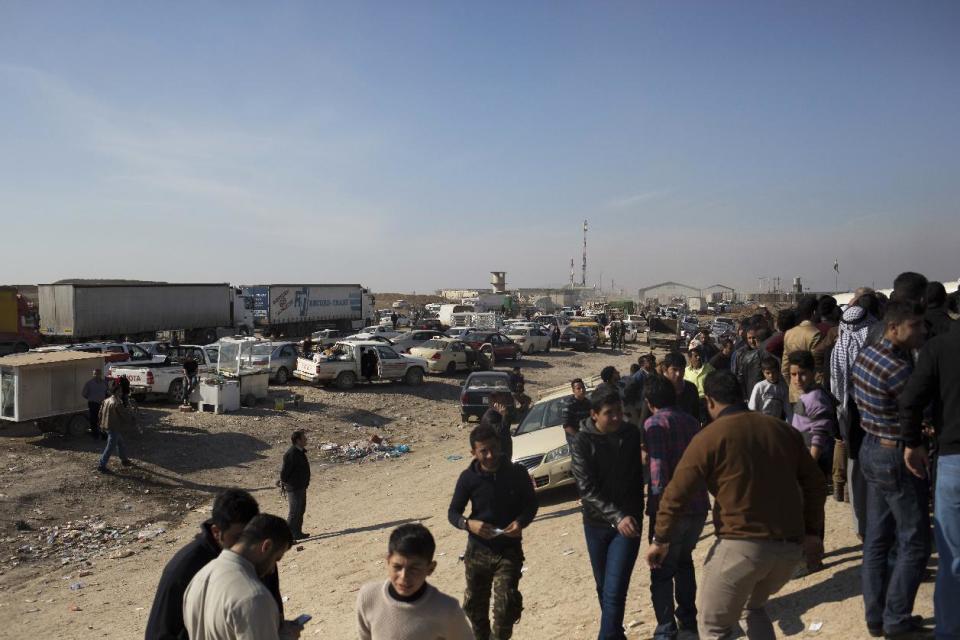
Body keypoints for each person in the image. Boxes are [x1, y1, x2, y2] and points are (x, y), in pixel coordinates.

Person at [646, 371, 826, 640]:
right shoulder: (781, 430)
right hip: (788, 547)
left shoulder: (711, 436)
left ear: (710, 401)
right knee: (751, 608)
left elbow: (675, 493)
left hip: (743, 546)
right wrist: (813, 532)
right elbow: (816, 484)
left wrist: (661, 539)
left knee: (713, 625)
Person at [852, 300, 932, 638]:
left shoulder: (867, 355)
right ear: (894, 328)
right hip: (894, 453)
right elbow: (917, 412)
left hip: (871, 447)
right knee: (915, 541)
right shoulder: (898, 368)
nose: (922, 332)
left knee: (877, 538)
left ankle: (877, 616)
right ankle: (897, 618)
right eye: (915, 326)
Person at [145, 489, 293, 640]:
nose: (246, 543)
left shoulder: (260, 557)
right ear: (216, 532)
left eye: (250, 534)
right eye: (238, 536)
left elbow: (272, 613)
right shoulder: (186, 568)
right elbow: (158, 635)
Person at [899, 314, 960, 639]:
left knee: (952, 558)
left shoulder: (939, 348)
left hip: (953, 461)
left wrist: (912, 443)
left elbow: (909, 400)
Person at [448, 424, 538, 640]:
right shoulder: (468, 478)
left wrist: (520, 522)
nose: (490, 455)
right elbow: (453, 513)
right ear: (473, 453)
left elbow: (531, 504)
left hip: (508, 551)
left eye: (494, 448)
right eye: (483, 451)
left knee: (506, 606)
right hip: (477, 552)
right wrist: (469, 524)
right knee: (475, 610)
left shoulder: (517, 472)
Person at [571, 392, 644, 639]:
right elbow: (586, 489)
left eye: (618, 412)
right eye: (608, 413)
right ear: (594, 415)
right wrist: (615, 516)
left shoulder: (631, 434)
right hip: (596, 524)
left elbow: (638, 476)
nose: (615, 418)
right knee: (604, 587)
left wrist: (629, 515)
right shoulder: (582, 441)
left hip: (628, 523)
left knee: (615, 590)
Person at [642, 376, 708, 640]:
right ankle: (689, 623)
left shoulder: (654, 424)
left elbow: (658, 479)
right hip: (698, 506)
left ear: (649, 402)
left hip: (671, 512)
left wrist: (659, 523)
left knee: (661, 571)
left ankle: (666, 630)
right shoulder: (691, 422)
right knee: (684, 563)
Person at [183, 514, 294, 640]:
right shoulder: (254, 597)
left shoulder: (200, 577)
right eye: (276, 559)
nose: (272, 569)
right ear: (266, 546)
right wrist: (286, 636)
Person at [356, 523, 474, 640]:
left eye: (414, 569)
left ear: (430, 568)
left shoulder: (447, 610)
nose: (404, 576)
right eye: (397, 566)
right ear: (388, 561)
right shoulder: (369, 597)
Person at [788, 351, 838, 482]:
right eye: (793, 374)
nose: (797, 379)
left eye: (802, 374)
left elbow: (819, 434)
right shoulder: (808, 394)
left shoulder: (815, 397)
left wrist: (810, 465)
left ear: (813, 372)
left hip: (814, 459)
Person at [781, 296, 823, 403]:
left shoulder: (789, 333)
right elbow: (817, 367)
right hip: (810, 395)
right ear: (814, 312)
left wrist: (793, 385)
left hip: (794, 394)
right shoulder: (815, 334)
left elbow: (785, 368)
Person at [280, 430, 311, 540]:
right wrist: (288, 484)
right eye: (304, 437)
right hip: (294, 488)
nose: (306, 439)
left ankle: (297, 533)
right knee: (294, 512)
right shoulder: (291, 453)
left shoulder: (300, 451)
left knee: (301, 510)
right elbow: (284, 473)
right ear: (298, 440)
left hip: (301, 486)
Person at [97, 383, 134, 473]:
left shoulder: (106, 400)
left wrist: (100, 424)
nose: (121, 393)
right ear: (117, 392)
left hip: (106, 426)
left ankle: (124, 459)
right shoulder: (117, 402)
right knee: (110, 447)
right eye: (120, 391)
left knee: (120, 443)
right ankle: (101, 465)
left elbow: (100, 413)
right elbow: (123, 415)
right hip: (113, 427)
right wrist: (131, 418)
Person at [747, 356, 791, 421]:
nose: (771, 375)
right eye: (768, 373)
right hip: (761, 422)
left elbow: (788, 410)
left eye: (774, 372)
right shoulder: (759, 386)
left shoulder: (783, 388)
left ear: (778, 371)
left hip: (776, 423)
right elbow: (752, 407)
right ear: (763, 372)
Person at [736, 326, 769, 402]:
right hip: (750, 394)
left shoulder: (764, 352)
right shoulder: (740, 353)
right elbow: (739, 376)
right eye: (749, 338)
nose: (752, 341)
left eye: (754, 338)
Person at [479, 391, 514, 462]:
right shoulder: (490, 417)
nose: (504, 404)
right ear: (494, 403)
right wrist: (505, 415)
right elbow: (501, 431)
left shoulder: (497, 414)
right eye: (502, 402)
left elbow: (506, 428)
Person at [562, 379, 592, 447]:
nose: (582, 390)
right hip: (576, 441)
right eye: (578, 388)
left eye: (583, 387)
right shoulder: (569, 404)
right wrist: (579, 437)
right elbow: (566, 426)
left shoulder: (588, 403)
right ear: (573, 391)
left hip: (588, 438)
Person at [81, 368, 108, 440]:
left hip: (102, 404)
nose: (96, 375)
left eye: (98, 374)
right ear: (93, 375)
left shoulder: (104, 383)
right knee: (94, 420)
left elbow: (106, 392)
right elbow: (84, 394)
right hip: (93, 404)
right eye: (95, 374)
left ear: (100, 374)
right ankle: (95, 435)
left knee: (103, 420)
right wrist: (91, 398)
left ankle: (104, 435)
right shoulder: (89, 383)